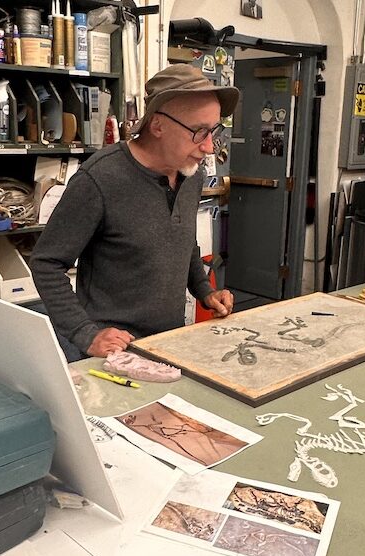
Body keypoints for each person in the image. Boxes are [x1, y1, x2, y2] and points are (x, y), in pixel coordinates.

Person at [30, 64, 239, 361]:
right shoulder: (99, 179)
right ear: (157, 125)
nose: (209, 147)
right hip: (113, 355)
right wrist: (84, 333)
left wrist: (204, 290)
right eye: (199, 132)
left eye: (214, 130)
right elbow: (46, 263)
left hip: (169, 344)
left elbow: (183, 240)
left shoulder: (191, 174)